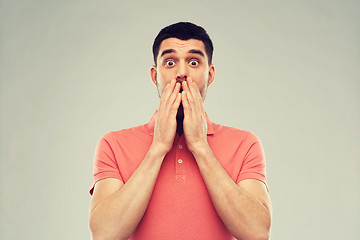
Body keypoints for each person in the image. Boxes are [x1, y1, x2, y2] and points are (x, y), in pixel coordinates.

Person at [89, 22, 272, 240]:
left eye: (193, 62)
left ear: (210, 75)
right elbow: (104, 234)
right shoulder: (113, 144)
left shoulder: (246, 144)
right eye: (170, 62)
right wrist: (157, 148)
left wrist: (201, 147)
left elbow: (258, 233)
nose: (182, 73)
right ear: (154, 75)